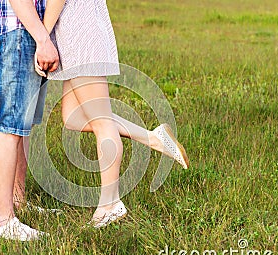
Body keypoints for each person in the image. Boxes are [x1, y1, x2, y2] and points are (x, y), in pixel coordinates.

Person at [36, 0, 189, 228]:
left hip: (81, 35)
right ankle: (155, 138)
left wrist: (43, 38)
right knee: (73, 117)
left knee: (101, 123)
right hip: (79, 31)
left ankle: (110, 205)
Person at [0, 0, 60, 241]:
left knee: (22, 126)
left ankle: (18, 202)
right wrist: (42, 39)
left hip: (33, 30)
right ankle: (3, 219)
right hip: (22, 29)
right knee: (10, 126)